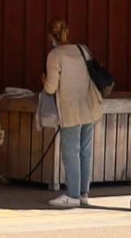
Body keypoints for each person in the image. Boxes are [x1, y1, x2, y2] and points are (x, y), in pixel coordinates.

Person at [41, 18, 104, 209]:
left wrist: (43, 80)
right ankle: (83, 193)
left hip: (70, 108)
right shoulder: (82, 49)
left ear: (51, 36)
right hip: (89, 105)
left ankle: (73, 194)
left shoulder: (54, 55)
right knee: (85, 150)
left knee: (71, 151)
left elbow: (51, 88)